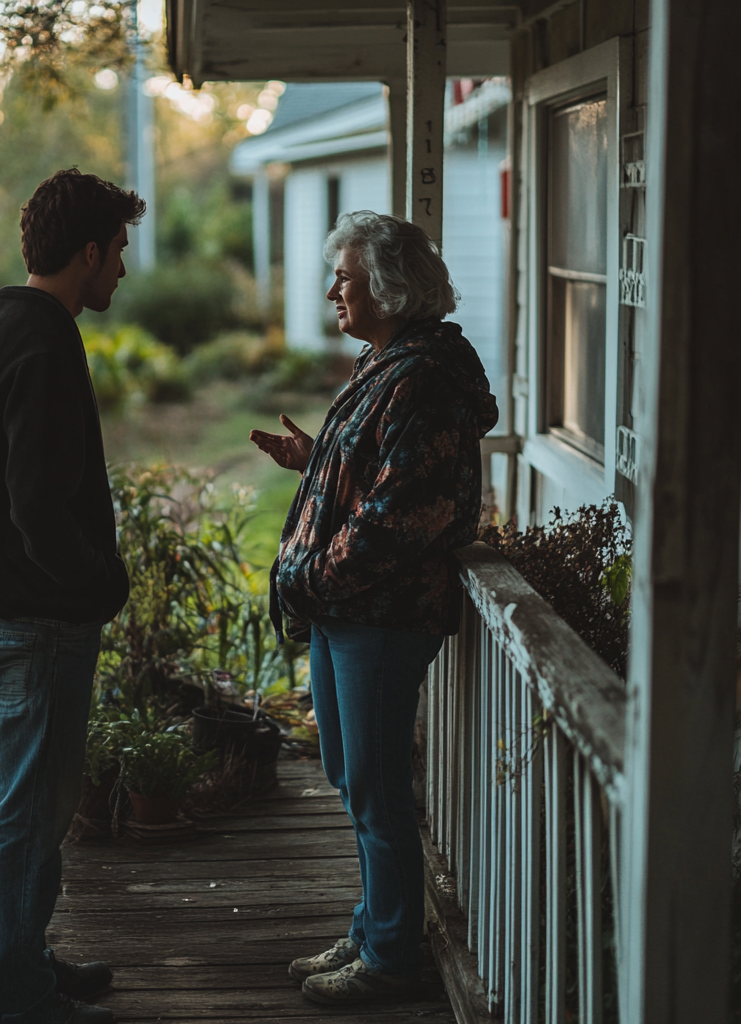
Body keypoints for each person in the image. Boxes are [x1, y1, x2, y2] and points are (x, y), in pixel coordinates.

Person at [250, 211, 498, 1007]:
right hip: (348, 610)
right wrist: (315, 461)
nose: (332, 293)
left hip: (381, 614)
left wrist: (311, 577)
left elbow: (402, 514)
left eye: (345, 280)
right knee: (352, 775)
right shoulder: (389, 361)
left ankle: (391, 953)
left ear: (388, 290)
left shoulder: (424, 378)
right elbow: (378, 473)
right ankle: (372, 924)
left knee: (378, 785)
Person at [0, 168, 146, 1024]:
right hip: (35, 621)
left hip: (1, 613)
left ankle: (16, 964)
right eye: (119, 253)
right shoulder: (44, 340)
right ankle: (19, 996)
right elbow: (34, 505)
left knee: (0, 807)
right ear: (88, 252)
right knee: (27, 817)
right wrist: (98, 583)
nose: (123, 273)